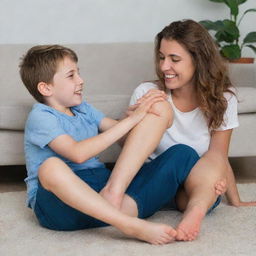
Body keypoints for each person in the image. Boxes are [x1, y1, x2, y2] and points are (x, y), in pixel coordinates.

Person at [19, 44, 204, 245]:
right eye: (71, 75)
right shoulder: (41, 116)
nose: (81, 80)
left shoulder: (82, 108)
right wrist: (131, 121)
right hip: (60, 204)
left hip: (103, 190)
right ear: (46, 88)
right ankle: (127, 223)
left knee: (183, 153)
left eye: (79, 73)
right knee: (50, 168)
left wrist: (144, 114)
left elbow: (122, 135)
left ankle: (115, 205)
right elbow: (77, 154)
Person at [100, 19, 256, 242]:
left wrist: (235, 199)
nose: (164, 66)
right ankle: (198, 201)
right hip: (154, 179)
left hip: (193, 185)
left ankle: (195, 211)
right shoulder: (149, 92)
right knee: (186, 162)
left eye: (174, 59)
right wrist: (131, 119)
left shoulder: (223, 98)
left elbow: (218, 155)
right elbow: (128, 149)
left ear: (198, 60)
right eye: (162, 57)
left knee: (208, 173)